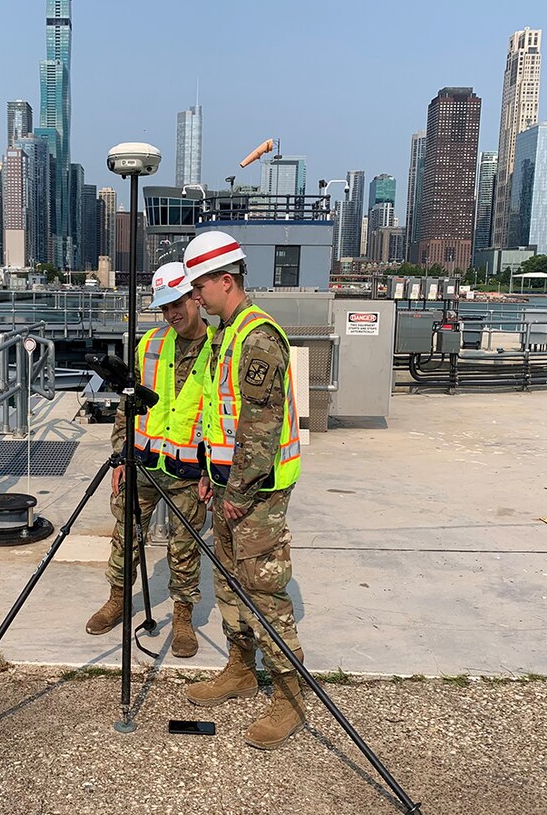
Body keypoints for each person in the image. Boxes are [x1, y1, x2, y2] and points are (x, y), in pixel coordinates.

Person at [180, 230, 307, 750]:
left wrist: (235, 490)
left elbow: (259, 427)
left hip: (256, 492)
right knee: (231, 583)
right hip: (229, 486)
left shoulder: (256, 337)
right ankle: (240, 668)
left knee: (263, 590)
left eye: (198, 286)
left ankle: (290, 697)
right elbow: (220, 417)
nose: (194, 297)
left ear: (225, 281)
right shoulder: (224, 334)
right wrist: (213, 479)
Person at [85, 261, 211, 658]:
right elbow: (128, 404)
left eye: (177, 303)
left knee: (185, 544)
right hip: (144, 461)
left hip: (191, 468)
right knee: (125, 533)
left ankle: (183, 616)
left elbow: (226, 412)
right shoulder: (150, 344)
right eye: (164, 308)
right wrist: (121, 454)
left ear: (196, 298)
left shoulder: (220, 348)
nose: (172, 314)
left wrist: (217, 470)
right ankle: (119, 599)